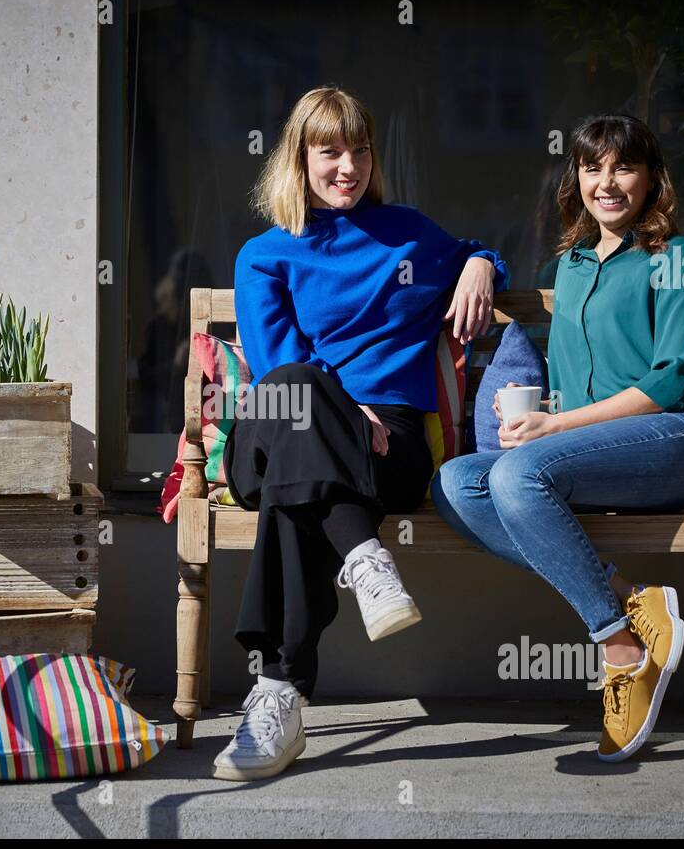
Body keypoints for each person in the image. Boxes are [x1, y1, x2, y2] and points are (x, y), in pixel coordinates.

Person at [213, 85, 508, 781]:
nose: (348, 166)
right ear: (300, 158)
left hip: (389, 451)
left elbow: (483, 250)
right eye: (330, 151)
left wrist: (480, 264)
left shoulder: (409, 234)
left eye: (360, 150)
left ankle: (279, 692)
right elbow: (278, 369)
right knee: (297, 399)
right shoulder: (266, 254)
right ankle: (366, 562)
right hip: (283, 424)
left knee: (299, 497)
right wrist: (344, 412)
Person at [431, 114, 684, 763]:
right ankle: (633, 605)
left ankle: (619, 651)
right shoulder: (573, 266)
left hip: (673, 441)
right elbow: (572, 381)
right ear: (578, 178)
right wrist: (530, 415)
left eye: (623, 167)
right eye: (593, 167)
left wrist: (553, 429)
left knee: (514, 475)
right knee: (455, 484)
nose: (607, 181)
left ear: (650, 180)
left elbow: (675, 378)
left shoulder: (675, 257)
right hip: (598, 452)